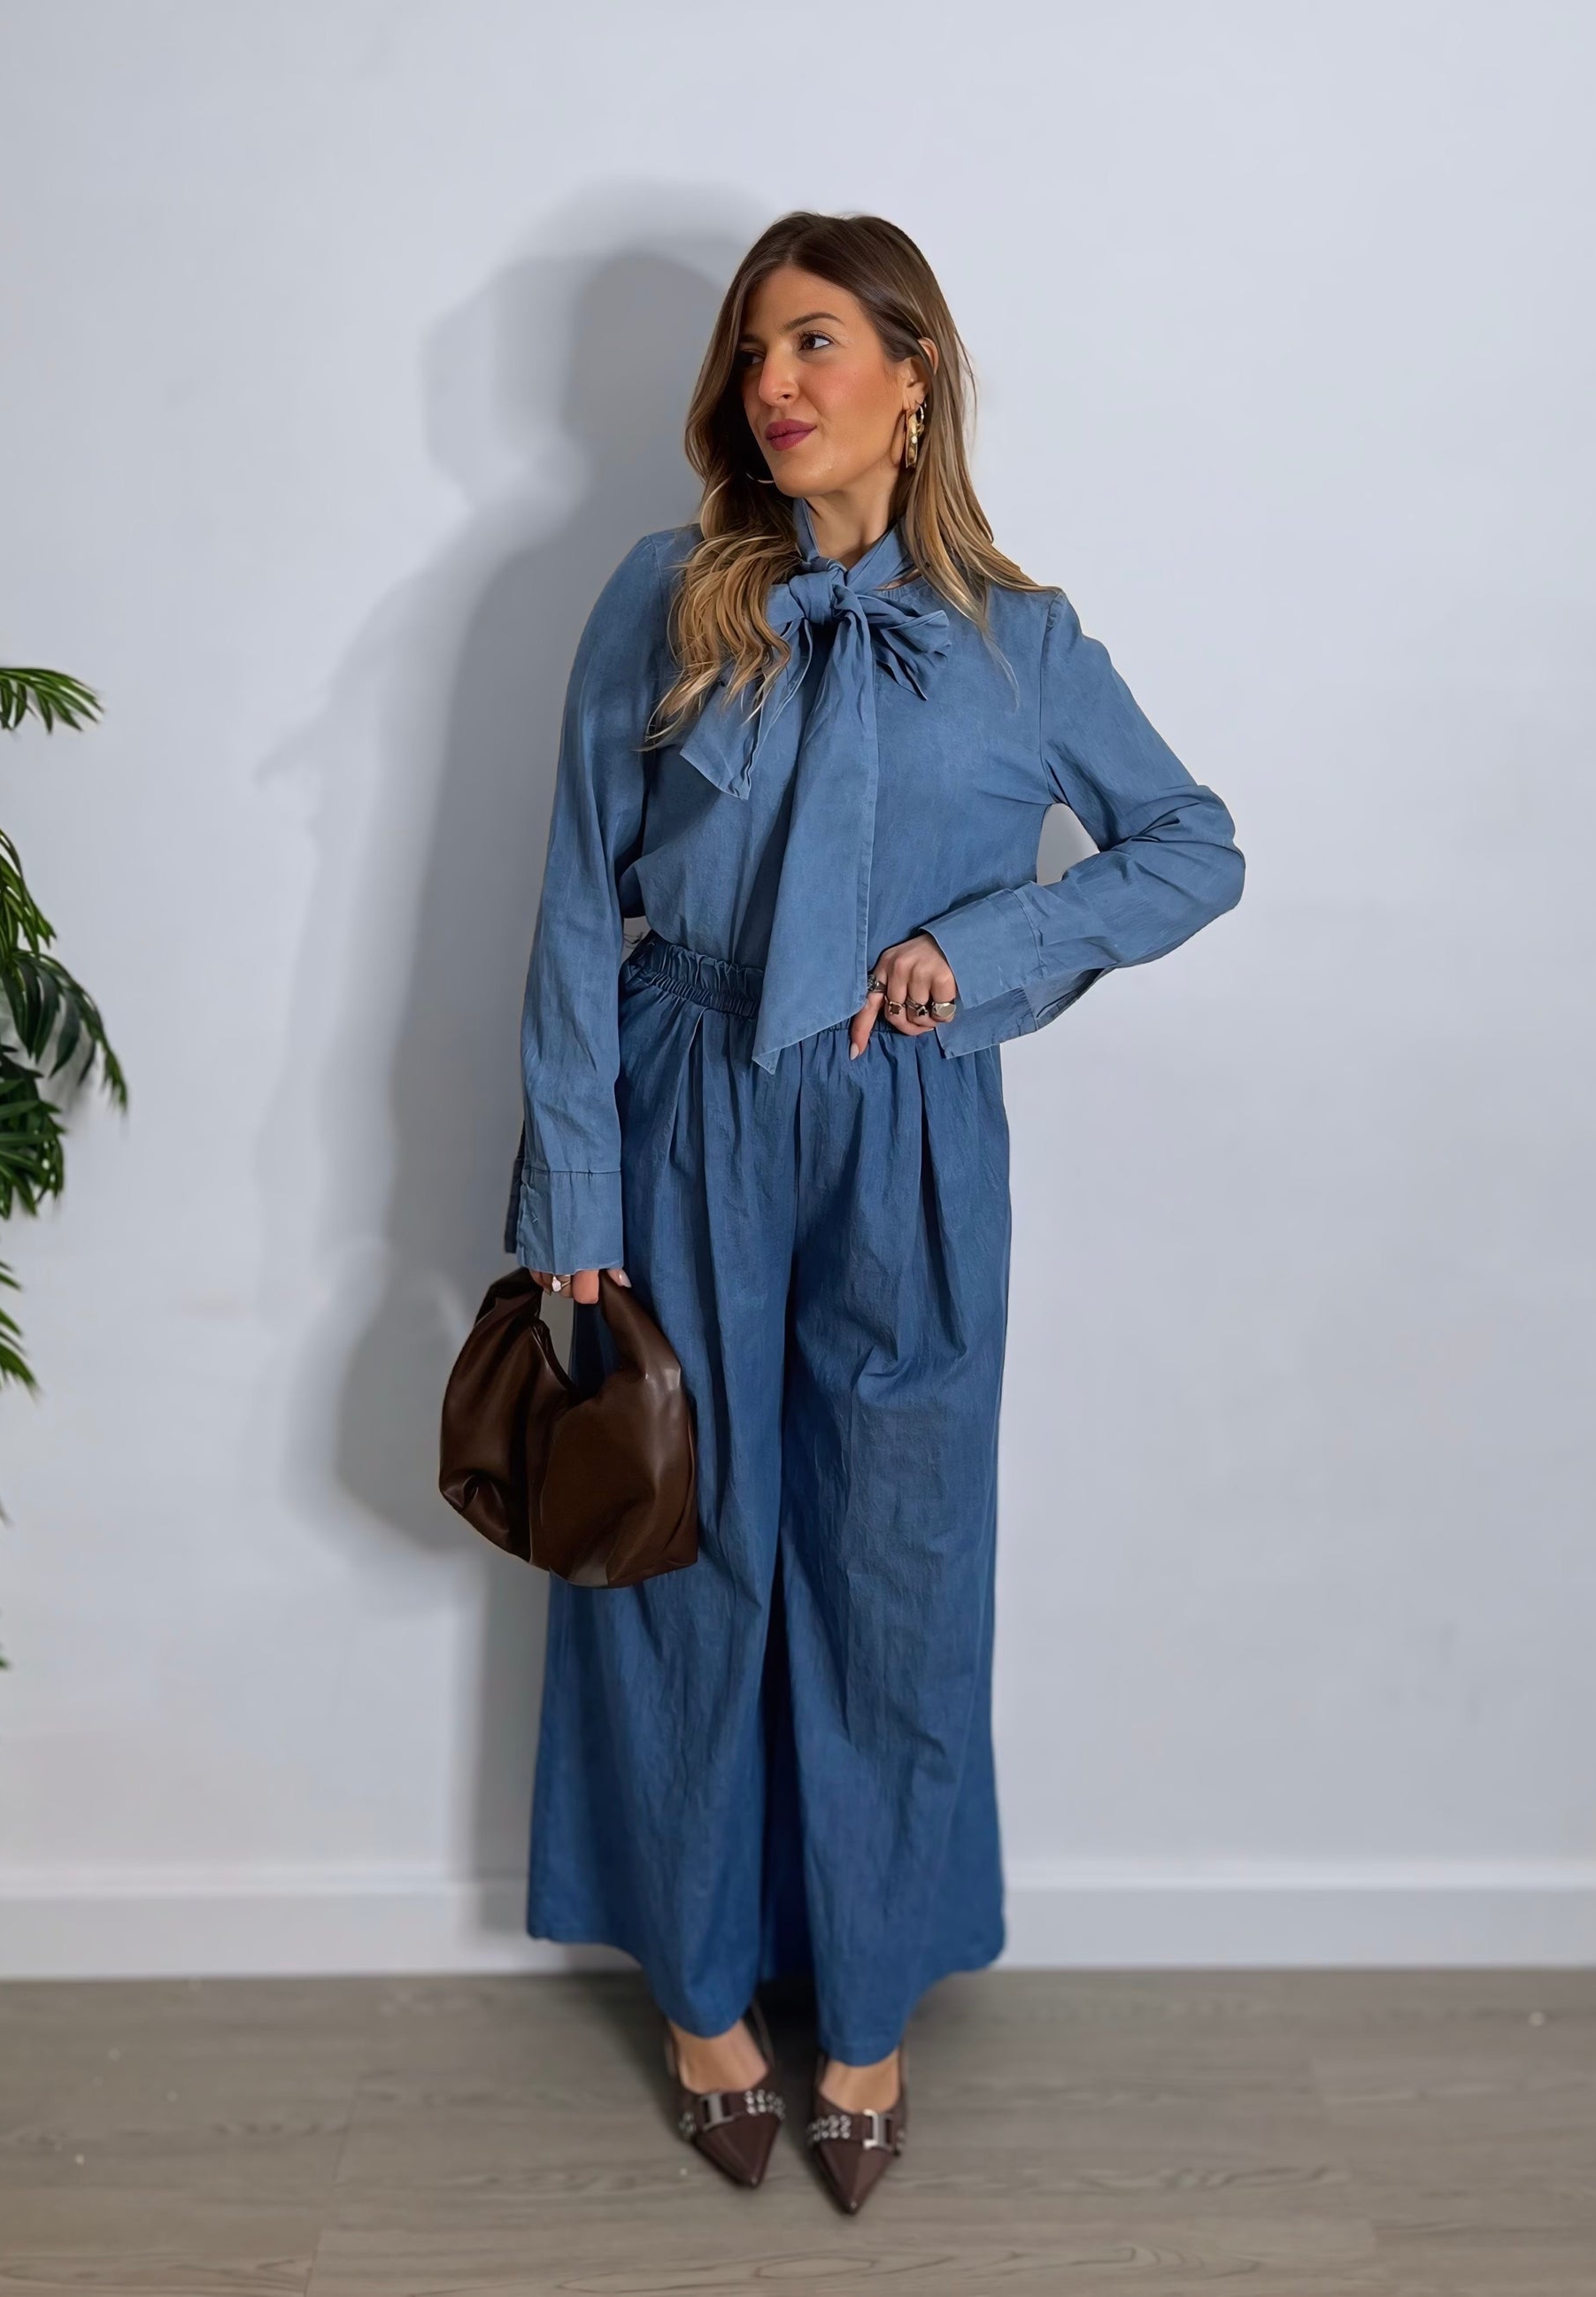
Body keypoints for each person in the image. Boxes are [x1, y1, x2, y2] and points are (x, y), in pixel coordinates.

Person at [504, 209, 1245, 2213]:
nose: (775, 383)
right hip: (686, 1112)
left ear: (913, 377)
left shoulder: (1023, 639)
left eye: (817, 342)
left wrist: (980, 951)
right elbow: (575, 899)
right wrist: (573, 1180)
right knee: (687, 1549)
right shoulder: (664, 598)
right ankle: (701, 2001)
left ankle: (868, 2011)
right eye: (755, 350)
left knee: (894, 1568)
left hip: (908, 1136)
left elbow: (1192, 847)